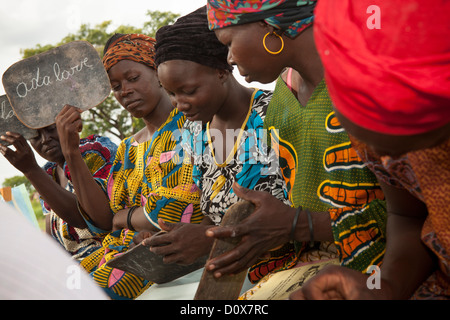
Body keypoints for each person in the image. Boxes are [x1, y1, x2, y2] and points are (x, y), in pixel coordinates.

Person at [203, 0, 387, 287]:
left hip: (389, 274)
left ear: (268, 25)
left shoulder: (370, 77)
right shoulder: (280, 102)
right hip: (316, 267)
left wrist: (300, 224)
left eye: (228, 43)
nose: (229, 59)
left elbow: (414, 212)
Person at [290, 0, 450, 299]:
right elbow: (408, 215)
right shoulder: (367, 91)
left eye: (416, 141)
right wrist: (386, 286)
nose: (379, 154)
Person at [147, 6, 292, 284]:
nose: (179, 104)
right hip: (232, 272)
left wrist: (210, 239)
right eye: (171, 94)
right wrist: (177, 239)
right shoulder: (194, 131)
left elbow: (299, 212)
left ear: (221, 71)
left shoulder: (274, 112)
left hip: (287, 267)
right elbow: (211, 218)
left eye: (188, 91)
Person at [56, 33, 203, 300]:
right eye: (115, 86)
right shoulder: (127, 149)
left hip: (162, 259)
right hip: (120, 254)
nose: (125, 91)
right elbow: (102, 222)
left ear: (159, 73)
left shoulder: (190, 126)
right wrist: (71, 152)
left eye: (133, 78)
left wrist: (123, 216)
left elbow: (174, 211)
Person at [0, 124, 117, 261]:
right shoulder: (49, 174)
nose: (45, 139)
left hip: (109, 261)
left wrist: (31, 170)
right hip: (74, 271)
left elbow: (87, 220)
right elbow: (53, 241)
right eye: (35, 136)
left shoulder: (94, 151)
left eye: (50, 129)